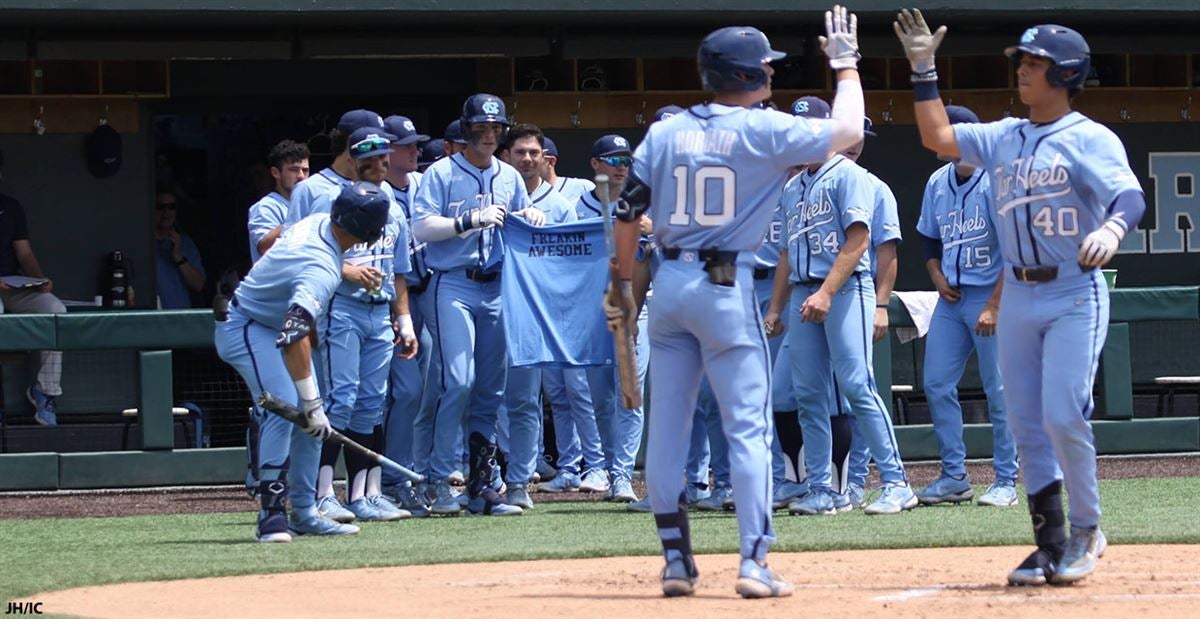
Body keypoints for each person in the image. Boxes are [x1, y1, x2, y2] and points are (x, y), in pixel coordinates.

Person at [607, 10, 865, 598]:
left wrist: (623, 285)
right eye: (767, 66)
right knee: (747, 429)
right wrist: (846, 66)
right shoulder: (764, 128)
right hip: (726, 285)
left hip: (668, 286)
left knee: (667, 427)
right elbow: (849, 132)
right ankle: (753, 564)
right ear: (749, 72)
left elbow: (626, 213)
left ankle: (676, 561)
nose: (772, 72)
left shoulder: (666, 131)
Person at [895, 10, 1145, 586]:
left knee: (1062, 414)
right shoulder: (1004, 135)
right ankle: (1049, 543)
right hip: (1020, 299)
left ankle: (1087, 528)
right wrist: (923, 69)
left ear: (1067, 73)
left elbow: (1128, 195)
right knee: (1026, 423)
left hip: (1073, 290)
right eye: (1024, 62)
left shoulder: (1089, 137)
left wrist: (1111, 230)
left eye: (1035, 63)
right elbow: (937, 136)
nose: (1024, 71)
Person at [216, 181, 389, 542]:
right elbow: (292, 335)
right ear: (371, 233)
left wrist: (314, 409)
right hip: (247, 324)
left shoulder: (318, 224)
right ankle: (272, 516)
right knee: (288, 408)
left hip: (269, 321)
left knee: (312, 423)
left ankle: (306, 512)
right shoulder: (321, 270)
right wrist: (310, 403)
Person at [410, 93, 544, 517]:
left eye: (495, 129)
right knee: (459, 381)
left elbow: (519, 223)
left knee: (491, 388)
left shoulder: (509, 176)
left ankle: (482, 485)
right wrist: (466, 221)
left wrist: (531, 220)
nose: (488, 135)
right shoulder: (442, 171)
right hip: (453, 282)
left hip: (498, 285)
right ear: (465, 131)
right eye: (480, 128)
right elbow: (421, 226)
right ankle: (441, 479)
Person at [913, 104, 1018, 508]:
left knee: (1000, 391)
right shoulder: (937, 182)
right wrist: (936, 277)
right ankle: (954, 476)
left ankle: (1006, 479)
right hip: (951, 299)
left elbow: (1014, 250)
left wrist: (994, 304)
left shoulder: (996, 182)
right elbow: (928, 239)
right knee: (937, 383)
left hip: (991, 296)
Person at [311, 127, 417, 523]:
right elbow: (311, 258)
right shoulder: (335, 202)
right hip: (342, 310)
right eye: (370, 159)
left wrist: (403, 319)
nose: (379, 166)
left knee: (371, 405)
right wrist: (347, 270)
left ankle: (365, 495)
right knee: (341, 400)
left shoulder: (395, 207)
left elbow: (401, 271)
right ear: (354, 161)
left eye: (384, 159)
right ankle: (321, 494)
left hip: (379, 314)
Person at [499, 122, 576, 510]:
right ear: (505, 157)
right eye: (520, 153)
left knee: (527, 399)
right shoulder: (492, 193)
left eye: (534, 153)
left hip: (533, 311)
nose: (527, 159)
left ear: (545, 158)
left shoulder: (559, 205)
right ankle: (482, 472)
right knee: (476, 393)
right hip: (489, 298)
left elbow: (570, 265)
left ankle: (519, 480)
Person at [379, 115, 436, 517]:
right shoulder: (374, 192)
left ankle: (407, 474)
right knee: (395, 394)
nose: (416, 151)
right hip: (382, 302)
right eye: (408, 145)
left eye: (417, 145)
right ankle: (390, 479)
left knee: (421, 393)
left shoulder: (421, 185)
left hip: (421, 295)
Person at [0, 172, 67, 425]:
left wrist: (40, 280)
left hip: (14, 287)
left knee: (55, 310)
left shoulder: (10, 206)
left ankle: (45, 391)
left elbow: (24, 253)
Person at [248, 141, 310, 264]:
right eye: (294, 170)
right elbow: (265, 247)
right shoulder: (266, 207)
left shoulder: (312, 204)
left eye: (305, 170)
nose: (301, 176)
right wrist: (299, 220)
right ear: (276, 173)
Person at [153, 191, 206, 309]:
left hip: (180, 318)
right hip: (151, 318)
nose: (166, 212)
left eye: (171, 207)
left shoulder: (186, 243)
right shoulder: (143, 243)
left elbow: (198, 285)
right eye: (160, 207)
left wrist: (178, 257)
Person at [542, 137, 595, 204]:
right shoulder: (525, 196)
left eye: (534, 155)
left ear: (551, 162)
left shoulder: (583, 187)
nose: (527, 159)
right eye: (523, 154)